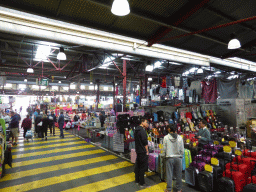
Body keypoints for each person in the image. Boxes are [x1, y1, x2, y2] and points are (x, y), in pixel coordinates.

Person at [163, 125, 184, 192]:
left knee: (169, 174)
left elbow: (164, 149)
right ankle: (179, 189)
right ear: (175, 130)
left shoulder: (166, 138)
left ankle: (169, 189)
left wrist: (164, 156)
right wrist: (180, 155)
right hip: (178, 158)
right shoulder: (180, 138)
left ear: (169, 130)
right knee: (178, 174)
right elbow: (182, 150)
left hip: (169, 158)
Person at [134, 117, 149, 188]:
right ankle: (142, 183)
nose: (147, 124)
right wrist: (147, 151)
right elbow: (145, 142)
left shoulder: (136, 130)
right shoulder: (142, 131)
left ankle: (137, 180)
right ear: (142, 122)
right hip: (142, 150)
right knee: (142, 167)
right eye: (146, 122)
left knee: (138, 165)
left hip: (138, 150)